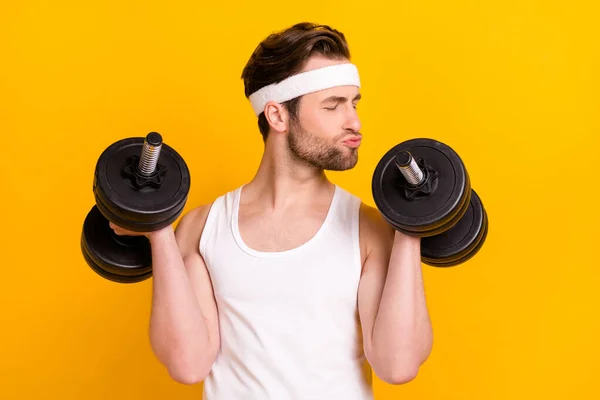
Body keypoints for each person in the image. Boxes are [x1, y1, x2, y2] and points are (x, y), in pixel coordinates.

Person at [111, 22, 433, 400]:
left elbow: (398, 366)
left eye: (354, 102)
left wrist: (412, 227)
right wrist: (157, 229)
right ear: (277, 116)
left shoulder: (368, 229)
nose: (355, 122)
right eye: (333, 106)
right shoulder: (202, 228)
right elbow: (188, 364)